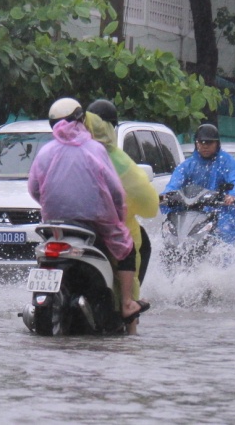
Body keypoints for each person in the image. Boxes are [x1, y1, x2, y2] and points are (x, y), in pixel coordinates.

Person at [28, 98, 149, 328]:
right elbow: (115, 190)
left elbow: (34, 188)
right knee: (126, 248)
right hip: (95, 222)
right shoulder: (95, 149)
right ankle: (126, 304)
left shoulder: (46, 151)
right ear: (81, 119)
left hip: (56, 223)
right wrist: (118, 214)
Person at [84, 99, 159, 335]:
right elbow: (148, 205)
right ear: (111, 127)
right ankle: (129, 317)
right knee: (132, 250)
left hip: (60, 224)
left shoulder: (59, 151)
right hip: (106, 230)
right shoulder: (115, 159)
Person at [161, 123, 235, 244]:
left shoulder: (226, 162)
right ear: (196, 143)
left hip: (221, 212)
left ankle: (225, 261)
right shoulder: (188, 165)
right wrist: (165, 196)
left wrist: (232, 195)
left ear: (217, 144)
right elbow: (174, 183)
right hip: (191, 213)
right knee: (169, 233)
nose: (205, 146)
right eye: (201, 142)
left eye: (209, 143)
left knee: (224, 233)